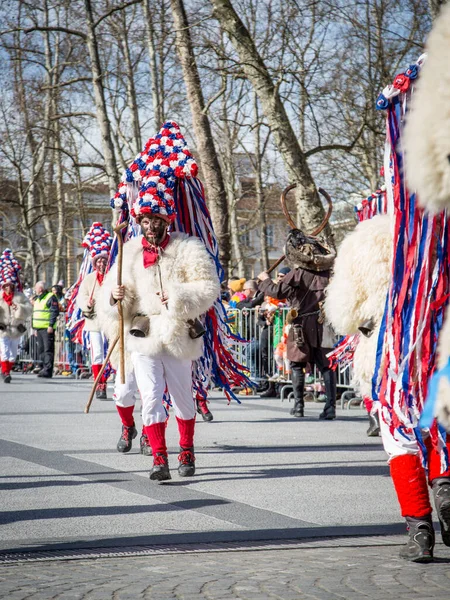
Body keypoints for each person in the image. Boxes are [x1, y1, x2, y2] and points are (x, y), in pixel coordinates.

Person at [99, 180, 220, 482]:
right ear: (138, 222)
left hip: (178, 332)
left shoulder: (188, 248)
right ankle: (158, 458)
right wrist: (114, 297)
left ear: (167, 220)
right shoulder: (129, 253)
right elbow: (113, 301)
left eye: (156, 220)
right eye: (145, 221)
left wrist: (178, 296)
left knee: (183, 398)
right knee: (151, 397)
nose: (150, 226)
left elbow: (209, 288)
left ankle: (187, 449)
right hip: (144, 336)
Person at [257, 238, 336, 419]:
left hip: (300, 323)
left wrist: (265, 280)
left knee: (296, 364)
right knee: (326, 365)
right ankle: (330, 407)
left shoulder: (297, 273)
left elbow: (278, 292)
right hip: (323, 323)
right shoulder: (329, 273)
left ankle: (299, 406)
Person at [75, 223, 113, 400]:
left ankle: (114, 382)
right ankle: (100, 383)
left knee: (111, 353)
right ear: (94, 263)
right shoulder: (89, 279)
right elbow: (80, 298)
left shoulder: (113, 277)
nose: (101, 263)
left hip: (112, 322)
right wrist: (87, 304)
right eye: (98, 260)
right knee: (97, 353)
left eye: (104, 260)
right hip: (94, 322)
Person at [0, 250, 31, 382]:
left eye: (10, 285)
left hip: (16, 328)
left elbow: (29, 308)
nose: (8, 288)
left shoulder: (20, 296)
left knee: (13, 354)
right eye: (6, 286)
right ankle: (5, 372)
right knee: (4, 351)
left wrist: (19, 308)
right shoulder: (0, 297)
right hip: (3, 328)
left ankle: (7, 369)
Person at [32, 281, 59, 378]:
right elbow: (35, 314)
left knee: (48, 349)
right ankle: (44, 367)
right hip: (39, 328)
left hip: (47, 328)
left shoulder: (50, 297)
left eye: (36, 288)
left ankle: (48, 370)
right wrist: (34, 328)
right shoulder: (38, 299)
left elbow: (54, 311)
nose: (35, 290)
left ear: (40, 289)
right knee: (41, 349)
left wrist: (51, 325)